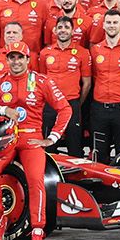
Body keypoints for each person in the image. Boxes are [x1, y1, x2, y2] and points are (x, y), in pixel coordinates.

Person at [0, 42, 69, 240]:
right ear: (7, 60)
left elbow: (65, 109)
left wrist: (52, 138)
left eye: (20, 57)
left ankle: (37, 230)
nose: (16, 62)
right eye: (12, 58)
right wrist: (2, 110)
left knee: (36, 179)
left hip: (31, 138)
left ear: (28, 59)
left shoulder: (42, 81)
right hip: (3, 141)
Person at [86, 10, 120, 161]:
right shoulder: (95, 50)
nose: (112, 25)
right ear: (103, 25)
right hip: (99, 108)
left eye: (115, 22)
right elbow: (94, 76)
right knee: (99, 151)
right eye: (108, 22)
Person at [39, 16, 89, 154]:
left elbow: (87, 83)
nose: (63, 30)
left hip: (72, 103)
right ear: (55, 30)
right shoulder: (45, 53)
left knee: (74, 146)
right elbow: (41, 80)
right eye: (60, 27)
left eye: (67, 27)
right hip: (50, 105)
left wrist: (77, 103)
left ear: (72, 31)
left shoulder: (83, 53)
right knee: (48, 148)